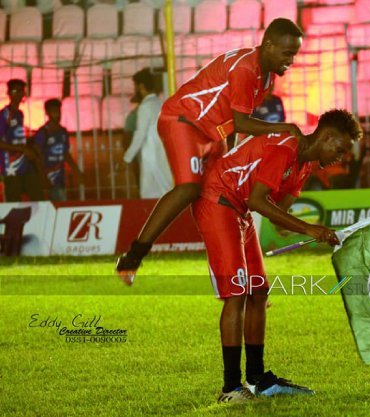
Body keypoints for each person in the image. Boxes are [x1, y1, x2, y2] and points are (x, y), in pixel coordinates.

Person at [116, 18, 305, 284]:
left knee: (224, 192)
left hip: (212, 132)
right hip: (184, 121)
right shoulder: (246, 69)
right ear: (269, 45)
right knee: (189, 188)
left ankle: (248, 276)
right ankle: (133, 257)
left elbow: (235, 123)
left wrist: (230, 160)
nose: (291, 61)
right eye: (287, 53)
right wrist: (287, 128)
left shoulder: (265, 77)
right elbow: (242, 123)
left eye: (294, 54)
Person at [192, 109, 361, 403]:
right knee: (237, 294)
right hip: (218, 201)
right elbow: (258, 200)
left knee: (258, 292)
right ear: (326, 136)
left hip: (239, 209)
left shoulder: (305, 166)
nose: (341, 157)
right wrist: (308, 228)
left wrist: (312, 232)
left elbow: (278, 217)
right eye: (340, 149)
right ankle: (230, 388)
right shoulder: (285, 147)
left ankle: (257, 379)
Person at [122, 68, 173, 199]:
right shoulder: (161, 103)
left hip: (151, 157)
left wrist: (127, 158)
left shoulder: (145, 107)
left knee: (149, 195)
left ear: (141, 87)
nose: (135, 90)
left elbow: (140, 136)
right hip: (164, 154)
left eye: (135, 86)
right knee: (166, 191)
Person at [0, 79, 45, 202]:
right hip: (11, 168)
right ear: (8, 93)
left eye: (21, 91)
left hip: (25, 164)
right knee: (14, 203)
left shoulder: (20, 113)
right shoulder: (4, 114)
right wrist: (23, 149)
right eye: (15, 91)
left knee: (38, 198)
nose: (18, 94)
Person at [32, 98, 84, 201]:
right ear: (47, 113)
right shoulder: (43, 133)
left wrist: (76, 171)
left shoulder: (63, 132)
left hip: (60, 178)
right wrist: (43, 177)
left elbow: (65, 154)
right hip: (47, 178)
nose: (58, 115)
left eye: (59, 111)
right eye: (54, 112)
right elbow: (36, 156)